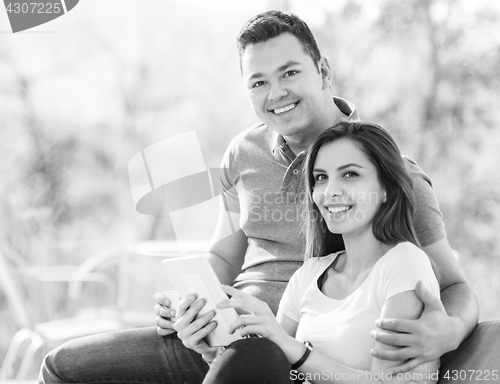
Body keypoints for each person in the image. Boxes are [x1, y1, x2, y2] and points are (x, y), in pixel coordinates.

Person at [39, 10, 478, 384]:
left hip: (288, 354)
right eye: (258, 82)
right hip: (222, 334)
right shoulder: (243, 153)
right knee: (61, 366)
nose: (276, 93)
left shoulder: (392, 176)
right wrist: (192, 305)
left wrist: (450, 331)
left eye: (289, 72)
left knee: (255, 357)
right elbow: (224, 256)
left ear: (323, 72)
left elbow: (453, 283)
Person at [201, 121, 441, 384]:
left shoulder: (404, 263)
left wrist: (297, 352)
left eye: (350, 174)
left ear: (387, 189)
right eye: (321, 178)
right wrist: (213, 352)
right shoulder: (310, 274)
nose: (330, 191)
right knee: (252, 352)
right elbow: (274, 363)